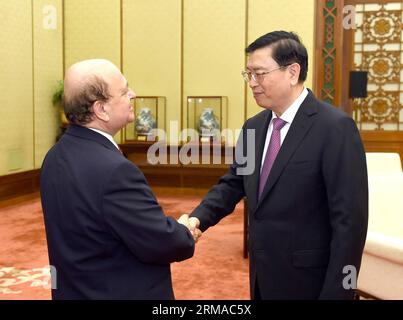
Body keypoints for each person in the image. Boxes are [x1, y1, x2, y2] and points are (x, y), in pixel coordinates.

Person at [187, 31, 368, 299]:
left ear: (292, 72)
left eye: (259, 73)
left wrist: (339, 292)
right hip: (262, 277)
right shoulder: (254, 127)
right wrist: (197, 219)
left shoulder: (335, 129)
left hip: (310, 283)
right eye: (248, 74)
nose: (251, 83)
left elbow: (350, 224)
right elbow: (234, 182)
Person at [40, 59, 198, 299]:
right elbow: (159, 241)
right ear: (100, 109)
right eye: (124, 91)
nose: (133, 95)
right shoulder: (115, 171)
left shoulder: (54, 156)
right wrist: (183, 232)